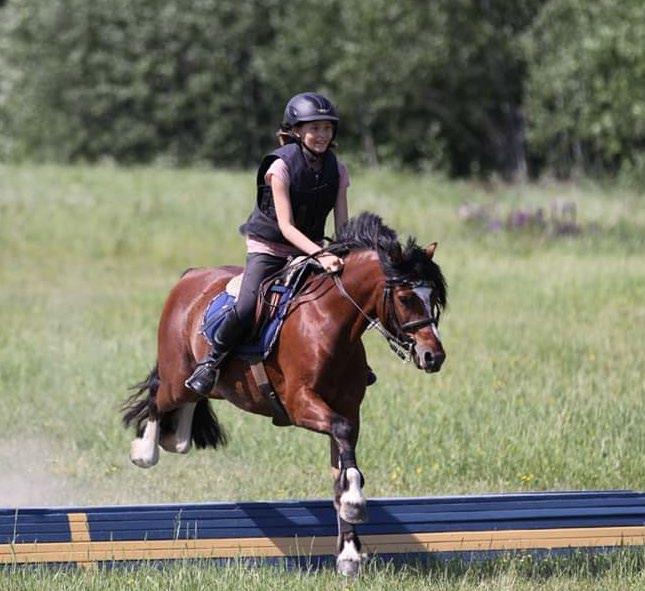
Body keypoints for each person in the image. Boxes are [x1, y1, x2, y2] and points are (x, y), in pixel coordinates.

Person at [185, 92, 349, 395]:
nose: (322, 135)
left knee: (343, 299)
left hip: (313, 250)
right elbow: (285, 227)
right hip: (270, 248)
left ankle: (351, 364)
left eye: (327, 128)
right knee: (248, 306)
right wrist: (322, 254)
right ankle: (211, 362)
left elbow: (342, 224)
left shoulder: (337, 169)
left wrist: (344, 251)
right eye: (314, 128)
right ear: (296, 131)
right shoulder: (280, 167)